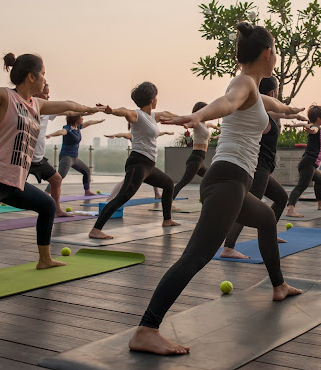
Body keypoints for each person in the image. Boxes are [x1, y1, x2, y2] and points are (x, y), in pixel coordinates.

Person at [128, 22, 303, 355]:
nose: (276, 56)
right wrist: (200, 116)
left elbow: (269, 103)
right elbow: (226, 102)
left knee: (266, 217)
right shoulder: (242, 85)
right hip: (227, 181)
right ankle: (146, 329)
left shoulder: (253, 87)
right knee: (196, 256)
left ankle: (278, 285)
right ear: (268, 54)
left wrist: (291, 111)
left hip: (234, 182)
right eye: (276, 51)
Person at [0, 52, 104, 268]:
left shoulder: (37, 104)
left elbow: (66, 104)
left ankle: (45, 259)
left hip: (13, 182)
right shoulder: (4, 97)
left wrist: (90, 109)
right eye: (43, 74)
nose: (45, 80)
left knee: (47, 205)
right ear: (31, 76)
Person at [220, 76, 307, 259]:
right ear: (272, 93)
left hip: (264, 168)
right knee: (247, 207)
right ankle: (228, 247)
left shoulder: (264, 112)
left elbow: (281, 113)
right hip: (258, 168)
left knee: (281, 197)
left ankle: (269, 234)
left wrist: (296, 115)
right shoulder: (256, 113)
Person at [89, 82, 181, 240]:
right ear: (152, 99)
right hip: (138, 163)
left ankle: (167, 219)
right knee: (123, 196)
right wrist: (112, 111)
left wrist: (190, 119)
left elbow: (167, 113)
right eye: (156, 96)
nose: (157, 99)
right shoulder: (137, 115)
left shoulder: (152, 116)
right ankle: (96, 229)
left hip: (149, 165)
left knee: (168, 183)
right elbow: (124, 111)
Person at [28, 82, 91, 217]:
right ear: (35, 92)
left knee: (56, 180)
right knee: (7, 188)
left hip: (38, 158)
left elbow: (67, 108)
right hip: (25, 157)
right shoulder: (27, 106)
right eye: (46, 93)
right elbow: (62, 129)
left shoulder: (46, 109)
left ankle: (57, 210)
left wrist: (88, 110)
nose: (48, 96)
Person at [170, 102, 220, 211]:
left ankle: (206, 199)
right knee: (183, 182)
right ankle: (168, 204)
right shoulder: (196, 123)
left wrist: (218, 129)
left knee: (211, 178)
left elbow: (209, 128)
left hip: (200, 160)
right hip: (195, 159)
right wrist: (183, 122)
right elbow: (189, 121)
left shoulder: (203, 124)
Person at [285, 105, 321, 218]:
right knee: (301, 186)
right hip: (308, 163)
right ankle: (290, 209)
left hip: (310, 163)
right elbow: (313, 129)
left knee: (319, 179)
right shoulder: (315, 128)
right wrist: (311, 131)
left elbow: (304, 124)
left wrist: (292, 125)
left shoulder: (318, 128)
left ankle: (320, 204)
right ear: (317, 118)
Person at [104, 124, 174, 200]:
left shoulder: (145, 133)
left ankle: (157, 194)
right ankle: (110, 198)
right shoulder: (132, 134)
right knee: (125, 181)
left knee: (154, 175)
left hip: (147, 162)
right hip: (139, 163)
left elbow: (157, 133)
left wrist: (166, 132)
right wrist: (114, 135)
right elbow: (123, 135)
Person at [46, 114, 105, 196]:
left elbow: (89, 122)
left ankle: (87, 191)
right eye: (81, 117)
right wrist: (51, 135)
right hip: (66, 157)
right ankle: (46, 192)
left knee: (86, 171)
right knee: (60, 176)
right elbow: (62, 132)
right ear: (75, 119)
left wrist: (98, 121)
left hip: (74, 158)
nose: (82, 118)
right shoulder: (68, 128)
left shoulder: (78, 127)